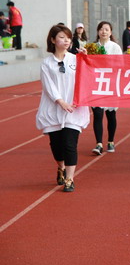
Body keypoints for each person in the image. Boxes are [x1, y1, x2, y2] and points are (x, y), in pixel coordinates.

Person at [36, 24, 90, 192]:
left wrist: (86, 60)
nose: (66, 40)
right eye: (61, 37)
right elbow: (48, 86)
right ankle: (61, 167)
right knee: (57, 146)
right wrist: (60, 102)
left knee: (69, 144)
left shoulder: (76, 59)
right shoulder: (47, 63)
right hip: (53, 109)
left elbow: (88, 77)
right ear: (53, 40)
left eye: (68, 37)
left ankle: (70, 178)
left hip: (74, 109)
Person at [91, 21, 123, 156]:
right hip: (96, 84)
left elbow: (120, 65)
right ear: (98, 32)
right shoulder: (92, 47)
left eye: (106, 29)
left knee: (111, 114)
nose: (103, 31)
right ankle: (98, 143)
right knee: (97, 114)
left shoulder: (115, 47)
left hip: (111, 84)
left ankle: (110, 141)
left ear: (110, 32)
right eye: (101, 29)